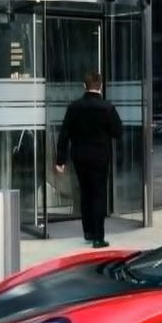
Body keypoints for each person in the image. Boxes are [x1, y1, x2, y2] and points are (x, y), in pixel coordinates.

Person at [55, 71, 123, 249]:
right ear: (101, 86)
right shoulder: (107, 107)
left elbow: (64, 134)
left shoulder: (74, 107)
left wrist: (60, 160)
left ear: (84, 86)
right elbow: (118, 131)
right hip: (99, 156)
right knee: (98, 194)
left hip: (79, 156)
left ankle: (89, 231)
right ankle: (98, 238)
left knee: (85, 193)